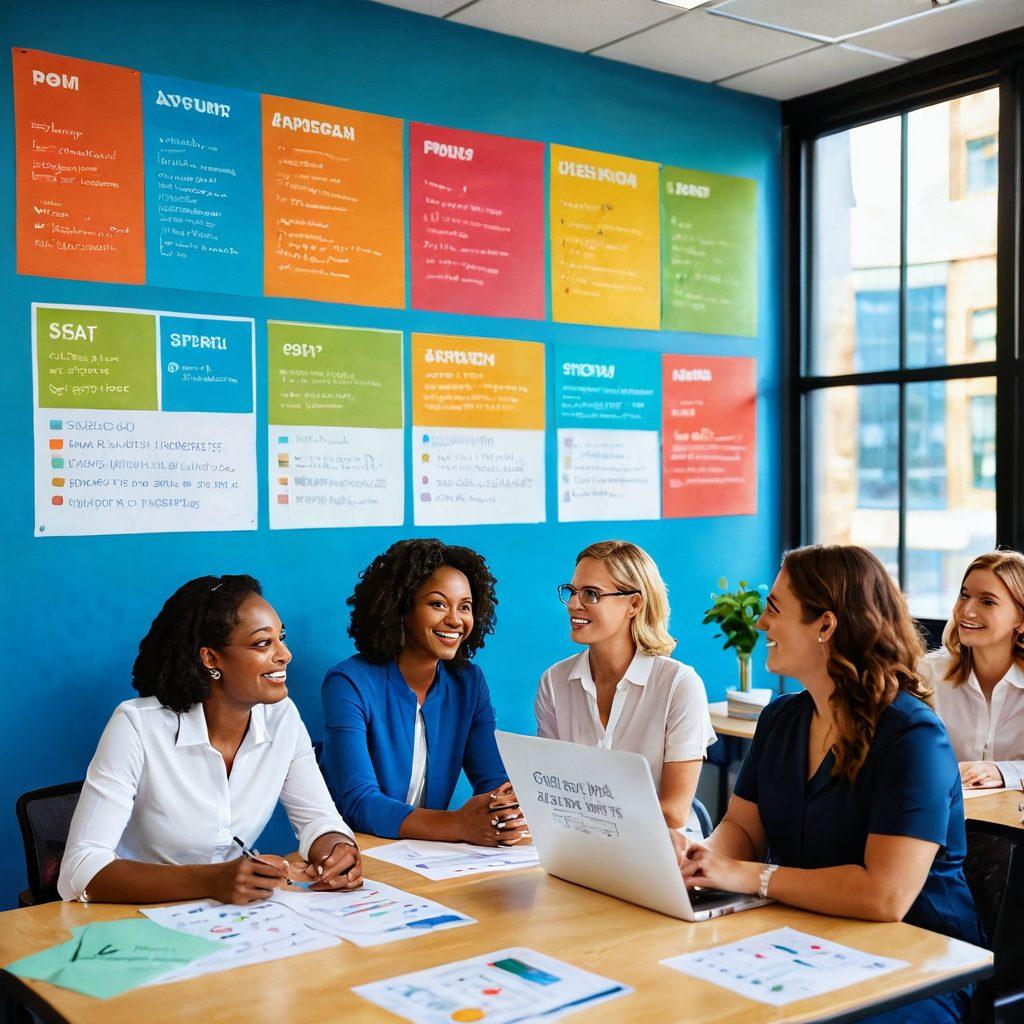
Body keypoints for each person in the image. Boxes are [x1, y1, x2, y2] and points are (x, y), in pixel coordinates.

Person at [673, 545, 983, 1024]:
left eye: (774, 609)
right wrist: (700, 857)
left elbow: (885, 895)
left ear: (826, 625)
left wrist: (750, 876)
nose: (760, 625)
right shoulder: (781, 719)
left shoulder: (912, 735)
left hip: (918, 962)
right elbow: (743, 828)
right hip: (809, 938)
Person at [58, 575, 361, 905]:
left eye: (281, 638)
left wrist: (336, 849)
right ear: (211, 659)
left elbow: (319, 819)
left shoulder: (281, 717)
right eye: (263, 644)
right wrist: (214, 880)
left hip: (231, 918)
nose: (284, 654)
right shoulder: (137, 725)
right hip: (133, 917)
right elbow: (80, 869)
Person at [321, 539, 525, 844]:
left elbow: (494, 782)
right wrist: (458, 825)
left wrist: (506, 813)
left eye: (465, 607)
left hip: (431, 855)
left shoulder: (468, 683)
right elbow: (359, 803)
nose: (455, 620)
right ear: (401, 607)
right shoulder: (349, 682)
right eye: (438, 604)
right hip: (360, 851)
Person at [535, 540, 715, 832]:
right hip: (578, 847)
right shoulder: (554, 682)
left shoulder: (679, 686)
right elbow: (550, 791)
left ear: (634, 604)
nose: (573, 604)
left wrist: (583, 816)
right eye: (572, 591)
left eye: (591, 594)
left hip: (658, 852)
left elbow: (673, 813)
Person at [918, 550, 1024, 791]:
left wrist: (1004, 771)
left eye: (987, 601)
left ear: (1021, 619)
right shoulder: (926, 675)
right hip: (944, 823)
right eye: (964, 596)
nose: (966, 611)